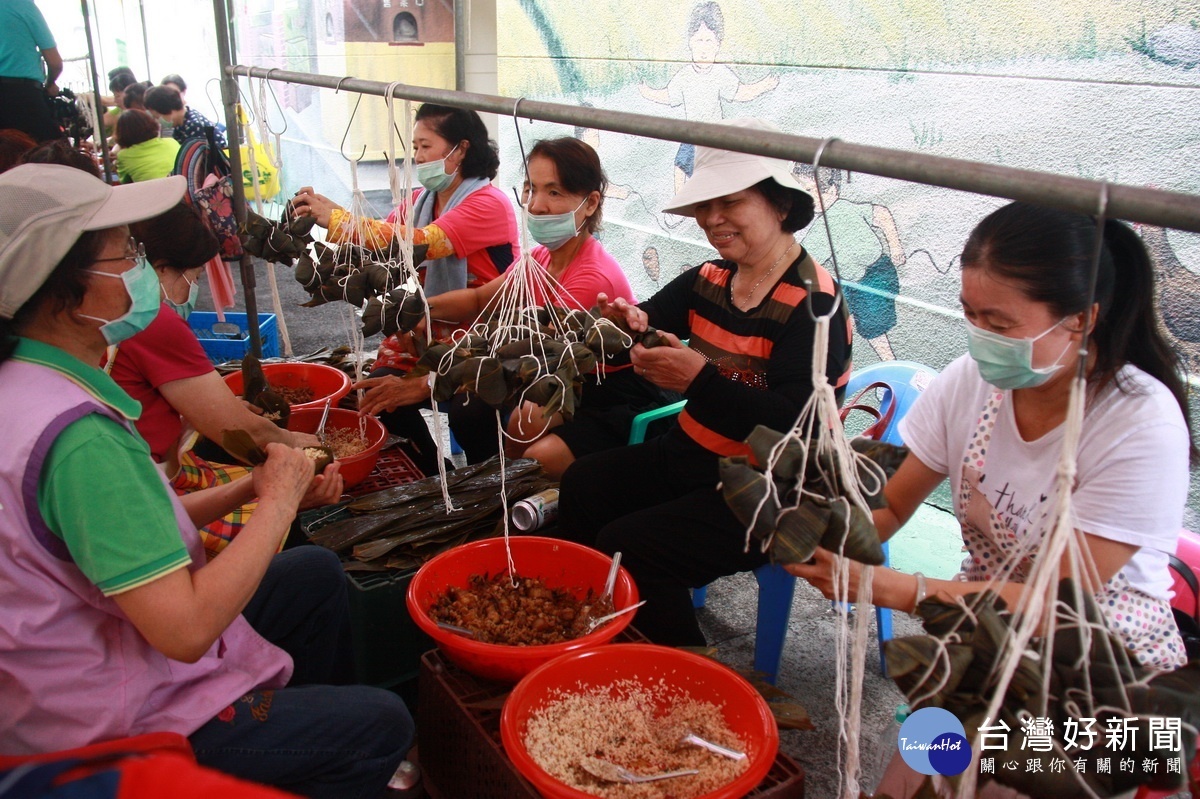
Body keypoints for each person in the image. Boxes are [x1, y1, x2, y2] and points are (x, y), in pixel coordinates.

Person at [0, 163, 414, 797]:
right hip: (110, 724)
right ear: (68, 290)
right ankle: (295, 749)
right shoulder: (77, 437)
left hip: (90, 658)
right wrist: (277, 501)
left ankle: (291, 740)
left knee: (312, 574)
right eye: (126, 253)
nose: (141, 266)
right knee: (382, 723)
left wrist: (249, 489)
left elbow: (135, 527)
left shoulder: (33, 383)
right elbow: (184, 632)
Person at [788, 202, 1194, 673]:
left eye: (999, 324)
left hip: (1097, 658)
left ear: (1082, 318)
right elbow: (892, 506)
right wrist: (812, 532)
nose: (981, 337)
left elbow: (1055, 604)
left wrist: (893, 588)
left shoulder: (1140, 425)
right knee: (930, 749)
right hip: (985, 626)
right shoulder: (970, 382)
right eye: (969, 314)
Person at [554, 118, 852, 646]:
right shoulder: (710, 278)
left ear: (780, 205)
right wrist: (626, 322)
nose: (712, 220)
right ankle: (588, 626)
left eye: (730, 203)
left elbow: (795, 427)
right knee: (583, 484)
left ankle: (683, 667)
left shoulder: (815, 305)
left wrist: (700, 382)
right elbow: (644, 319)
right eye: (702, 208)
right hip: (693, 456)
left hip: (771, 490)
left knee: (635, 544)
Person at [292, 102, 519, 476]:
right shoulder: (420, 201)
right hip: (431, 325)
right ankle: (437, 471)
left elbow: (417, 243)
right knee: (378, 391)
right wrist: (329, 213)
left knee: (469, 408)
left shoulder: (488, 204)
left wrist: (337, 219)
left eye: (425, 146)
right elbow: (378, 243)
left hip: (484, 332)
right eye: (414, 147)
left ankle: (489, 476)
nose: (416, 156)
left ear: (460, 149)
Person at [425, 136, 672, 477]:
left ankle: (509, 491)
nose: (536, 205)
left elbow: (538, 367)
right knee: (472, 407)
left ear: (590, 203)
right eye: (531, 188)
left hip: (597, 388)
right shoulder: (540, 258)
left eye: (554, 192)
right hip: (548, 374)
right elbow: (482, 300)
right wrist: (419, 308)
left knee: (523, 433)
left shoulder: (591, 278)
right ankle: (493, 484)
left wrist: (428, 380)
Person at [109, 201, 317, 559]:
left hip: (140, 475)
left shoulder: (112, 310)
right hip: (146, 495)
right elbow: (240, 429)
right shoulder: (153, 321)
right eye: (195, 278)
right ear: (159, 267)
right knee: (305, 552)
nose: (193, 289)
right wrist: (302, 447)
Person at [0, 0, 63, 142]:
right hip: (21, 96)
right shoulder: (21, 5)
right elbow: (55, 63)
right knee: (50, 155)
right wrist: (50, 84)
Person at [144, 83, 227, 149]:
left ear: (169, 110)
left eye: (157, 117)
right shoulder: (179, 122)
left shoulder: (195, 126)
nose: (157, 121)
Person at [115, 108, 180, 182]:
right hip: (183, 190)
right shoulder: (172, 142)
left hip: (152, 192)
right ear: (151, 123)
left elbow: (125, 184)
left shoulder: (123, 155)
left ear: (121, 133)